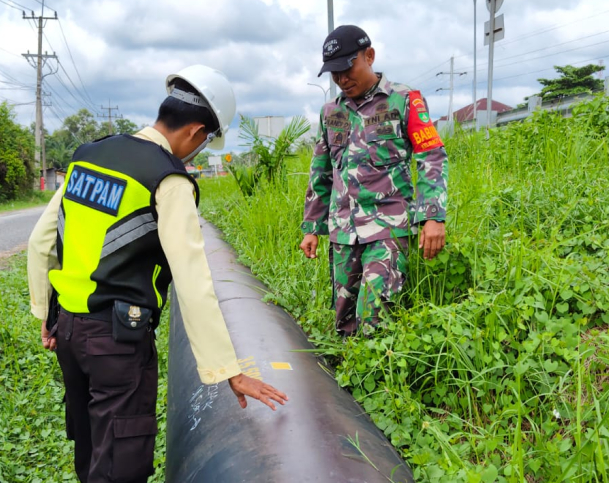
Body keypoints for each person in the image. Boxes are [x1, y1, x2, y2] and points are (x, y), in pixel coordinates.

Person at [27, 65, 288, 483]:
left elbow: (41, 242)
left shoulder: (88, 155)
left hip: (69, 333)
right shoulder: (167, 178)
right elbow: (193, 280)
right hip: (117, 343)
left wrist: (46, 313)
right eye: (204, 142)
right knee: (119, 467)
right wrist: (229, 370)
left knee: (92, 447)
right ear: (197, 131)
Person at [300, 25, 448, 337]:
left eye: (347, 68)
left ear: (369, 56)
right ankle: (346, 381)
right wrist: (312, 228)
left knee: (375, 316)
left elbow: (431, 154)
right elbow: (321, 171)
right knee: (345, 323)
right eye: (334, 74)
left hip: (387, 227)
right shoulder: (331, 112)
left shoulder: (404, 101)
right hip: (342, 232)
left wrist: (432, 216)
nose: (342, 79)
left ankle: (380, 382)